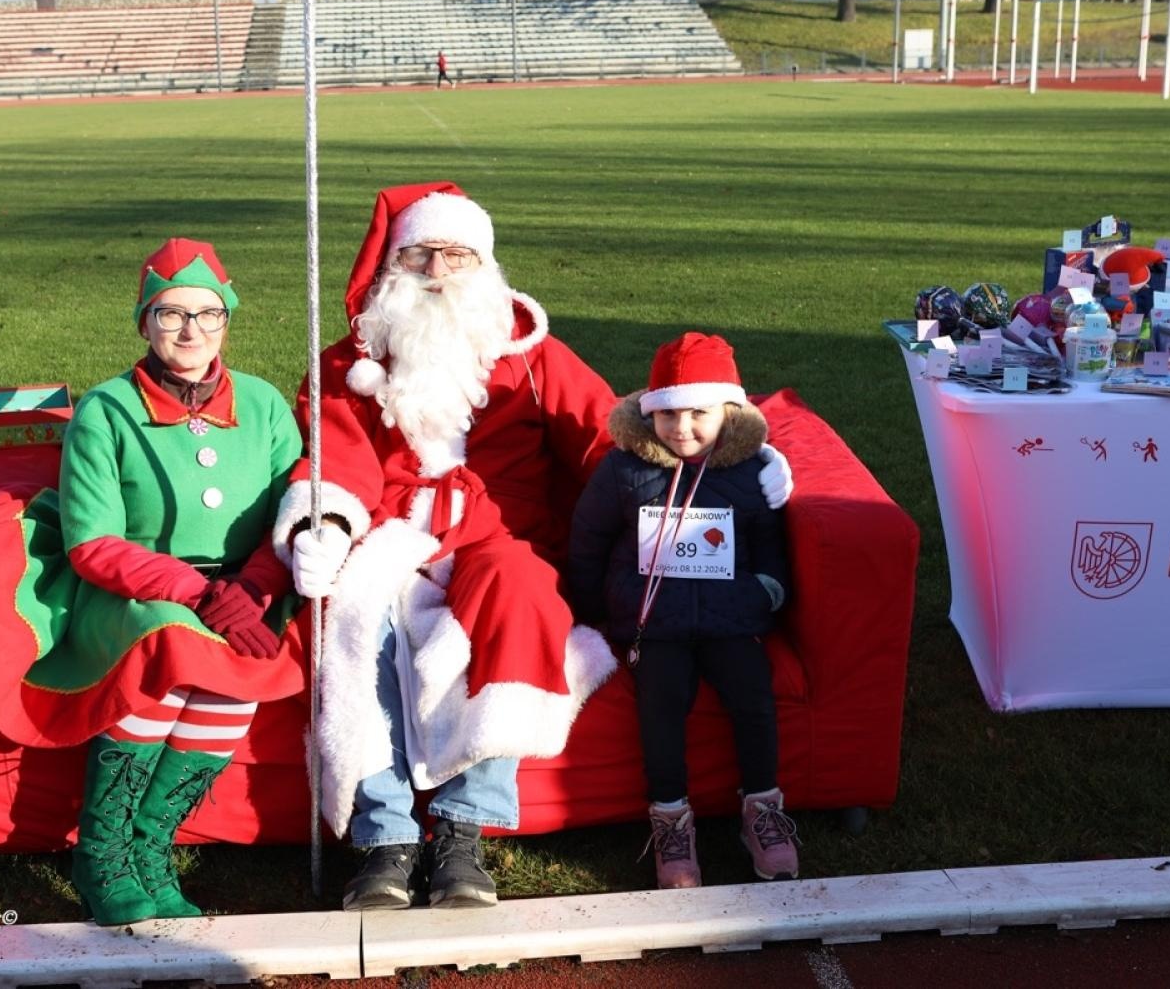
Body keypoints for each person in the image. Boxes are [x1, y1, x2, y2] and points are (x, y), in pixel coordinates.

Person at [272, 184, 794, 910]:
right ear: (395, 265)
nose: (438, 271)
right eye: (421, 254)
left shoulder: (530, 353)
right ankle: (384, 837)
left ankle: (461, 832)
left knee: (519, 595)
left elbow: (604, 440)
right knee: (356, 620)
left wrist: (729, 466)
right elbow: (339, 458)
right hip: (391, 534)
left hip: (505, 531)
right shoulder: (348, 364)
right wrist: (323, 522)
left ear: (483, 265)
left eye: (457, 255)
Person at [24, 238, 306, 925]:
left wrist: (258, 589)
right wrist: (201, 594)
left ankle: (151, 848)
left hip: (246, 591)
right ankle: (104, 853)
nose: (191, 331)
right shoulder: (107, 410)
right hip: (137, 593)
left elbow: (291, 511)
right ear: (145, 322)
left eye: (208, 315)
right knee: (172, 646)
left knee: (241, 671)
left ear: (227, 322)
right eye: (171, 314)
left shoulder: (265, 405)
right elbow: (93, 543)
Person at [567, 332, 799, 886]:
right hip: (653, 623)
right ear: (649, 415)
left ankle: (762, 810)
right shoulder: (624, 469)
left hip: (731, 616)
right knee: (661, 704)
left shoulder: (749, 471)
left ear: (728, 411)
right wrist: (586, 609)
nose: (682, 427)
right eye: (668, 413)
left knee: (753, 696)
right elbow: (588, 538)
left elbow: (770, 540)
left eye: (699, 412)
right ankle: (670, 819)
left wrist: (767, 589)